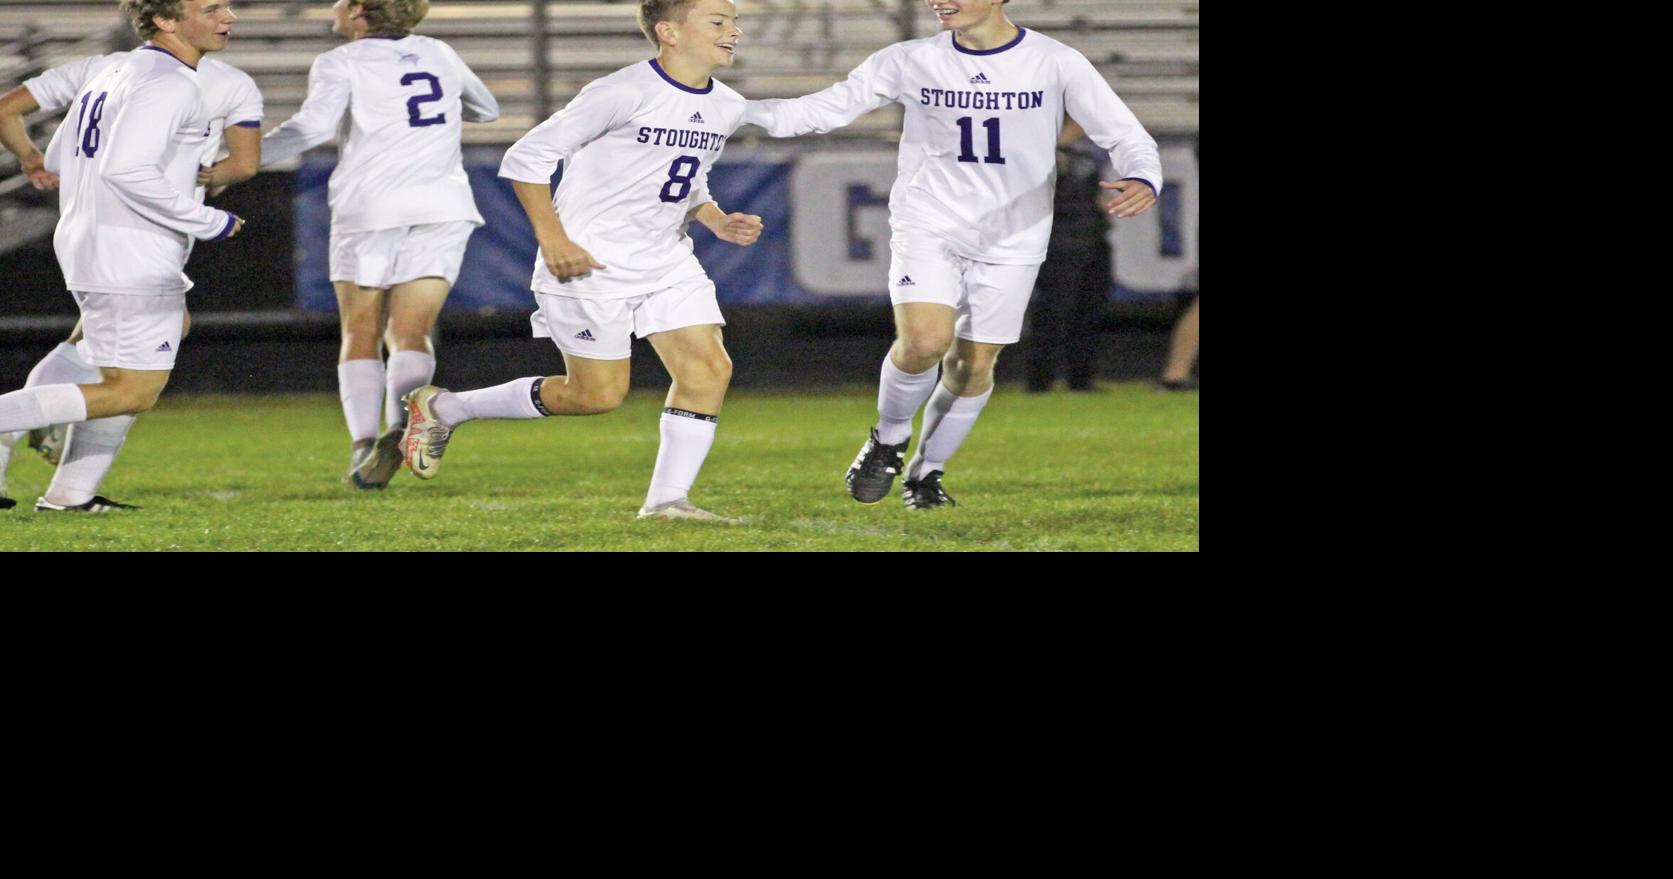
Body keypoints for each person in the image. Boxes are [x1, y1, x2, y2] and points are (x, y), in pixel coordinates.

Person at [741, 0, 1161, 509]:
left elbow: (1123, 132)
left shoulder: (1056, 61)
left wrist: (1143, 174)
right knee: (923, 343)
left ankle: (926, 474)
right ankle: (889, 439)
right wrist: (740, 110)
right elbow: (822, 109)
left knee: (973, 365)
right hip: (929, 222)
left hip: (1014, 235)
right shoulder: (909, 59)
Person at [401, 0, 763, 522]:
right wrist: (554, 240)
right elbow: (525, 158)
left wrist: (714, 218)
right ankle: (448, 407)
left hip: (665, 260)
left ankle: (665, 504)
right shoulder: (620, 92)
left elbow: (686, 178)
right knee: (596, 396)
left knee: (708, 369)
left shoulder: (726, 104)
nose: (735, 31)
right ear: (670, 32)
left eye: (733, 21)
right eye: (719, 21)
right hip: (591, 261)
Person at [0, 15, 262, 508]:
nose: (228, 16)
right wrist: (210, 221)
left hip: (94, 236)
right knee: (131, 390)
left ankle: (71, 495)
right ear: (165, 18)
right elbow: (129, 169)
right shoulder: (175, 82)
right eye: (210, 7)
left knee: (119, 366)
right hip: (132, 246)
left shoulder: (110, 71)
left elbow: (56, 159)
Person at [259, 0, 498, 489]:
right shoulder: (437, 51)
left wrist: (241, 159)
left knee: (360, 330)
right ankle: (403, 426)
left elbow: (313, 127)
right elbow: (486, 109)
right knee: (411, 331)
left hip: (370, 207)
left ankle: (364, 444)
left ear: (361, 11)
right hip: (442, 205)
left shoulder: (340, 61)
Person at [1025, 116, 1115, 393]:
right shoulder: (1042, 145)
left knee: (1088, 312)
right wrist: (1062, 142)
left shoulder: (1092, 150)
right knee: (1054, 312)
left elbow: (1100, 189)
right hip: (1059, 240)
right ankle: (1040, 382)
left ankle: (1081, 379)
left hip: (1093, 236)